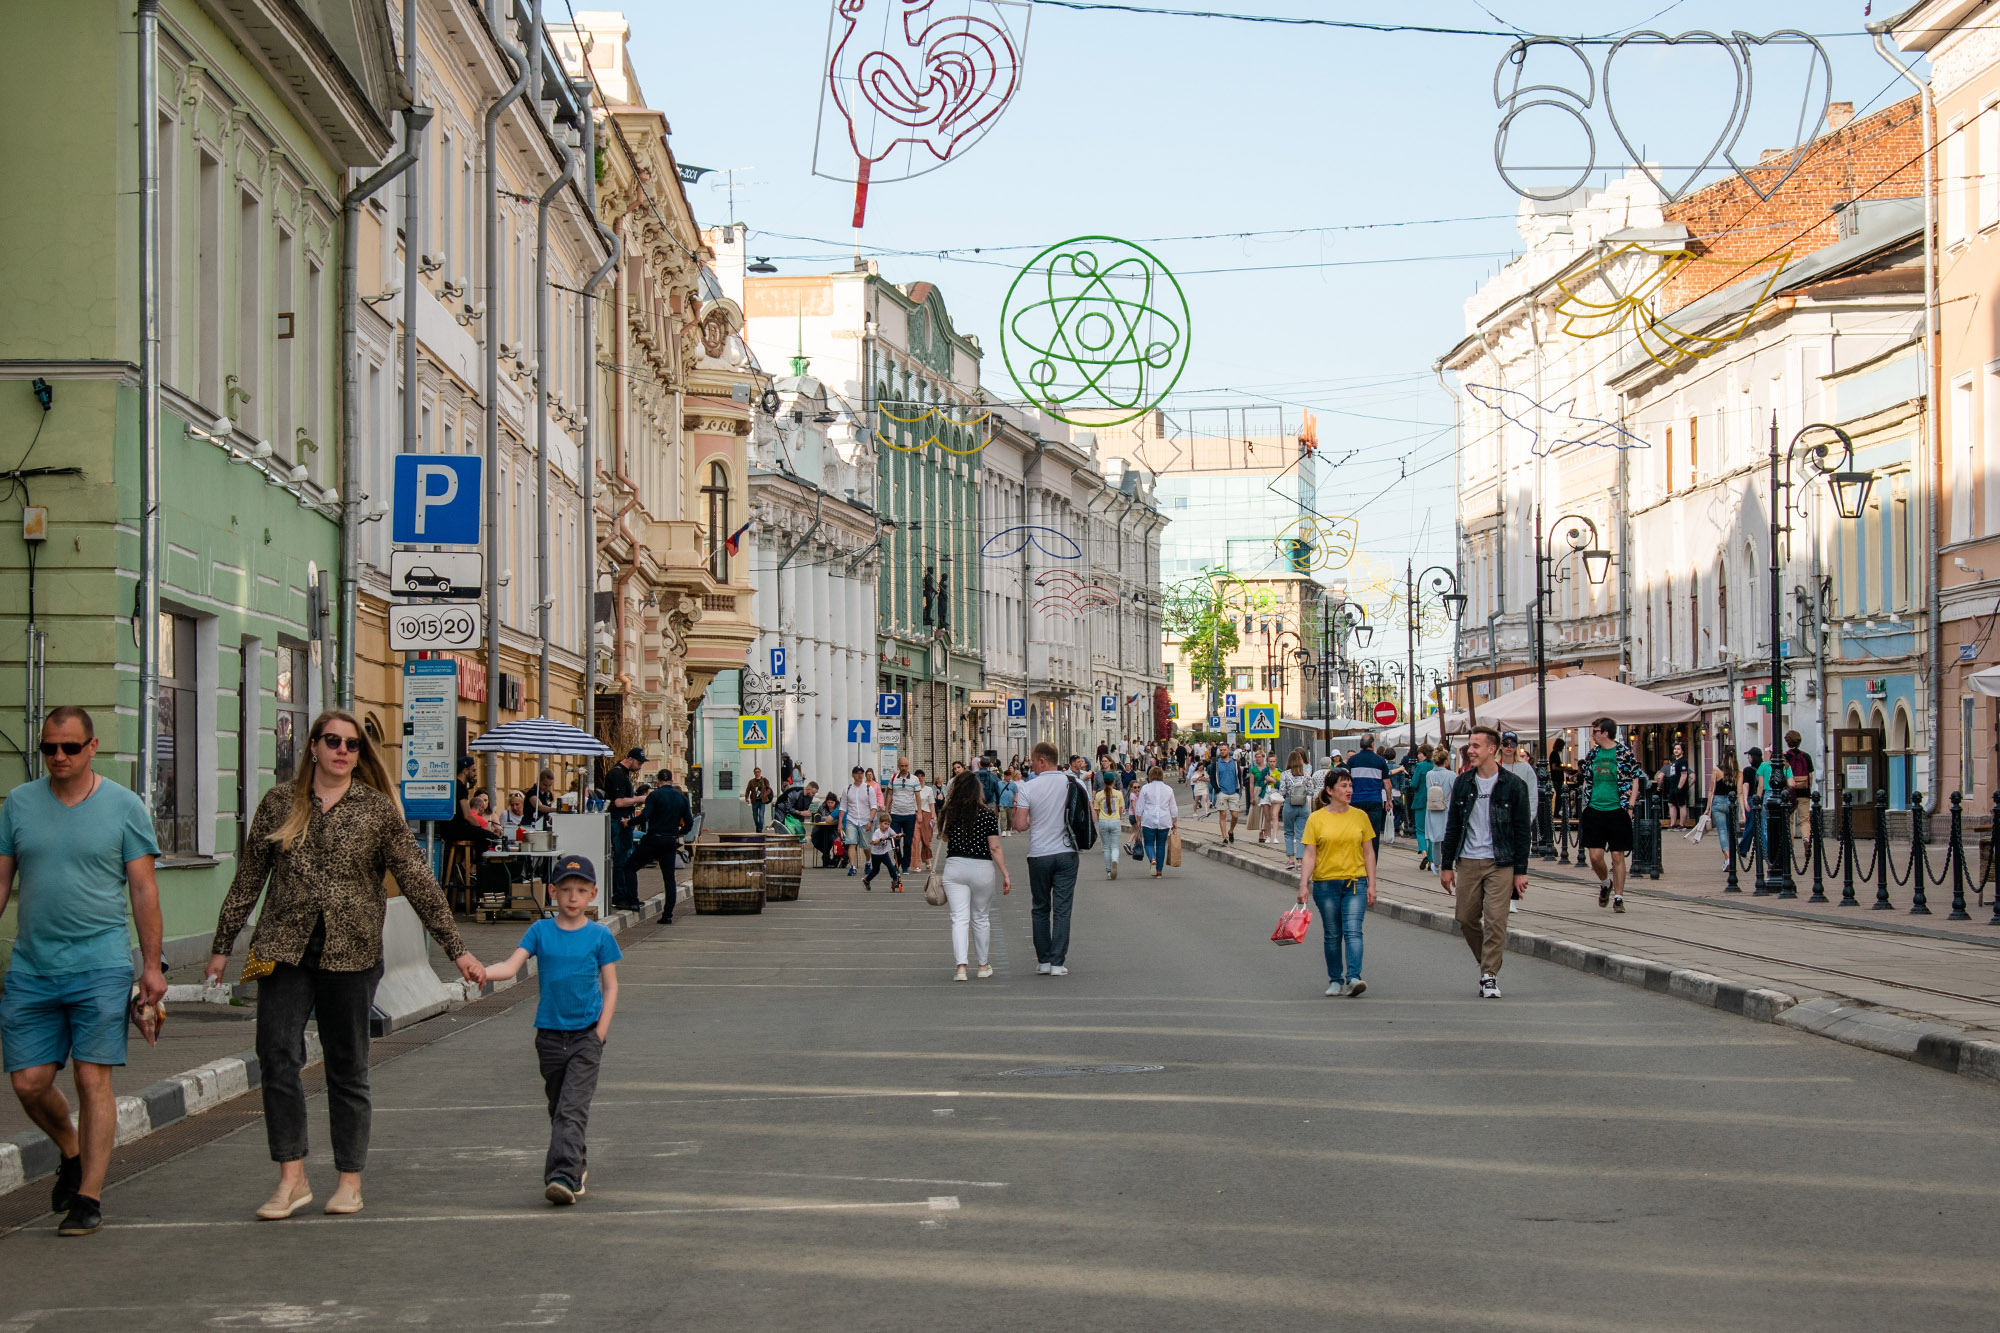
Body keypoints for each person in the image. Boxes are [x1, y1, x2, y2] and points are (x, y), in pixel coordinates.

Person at [208, 709, 483, 1221]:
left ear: (360, 755)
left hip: (352, 952)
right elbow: (249, 878)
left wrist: (456, 947)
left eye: (352, 745)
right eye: (331, 740)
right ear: (312, 745)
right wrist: (223, 945)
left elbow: (418, 879)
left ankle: (349, 1180)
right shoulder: (277, 805)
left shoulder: (377, 810)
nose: (341, 750)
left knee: (347, 1065)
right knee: (276, 1055)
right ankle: (291, 1178)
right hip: (278, 949)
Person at [0, 706, 166, 1237]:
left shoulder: (123, 806)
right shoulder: (19, 805)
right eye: (50, 748)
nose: (59, 757)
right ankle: (70, 1151)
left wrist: (151, 968)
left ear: (92, 748)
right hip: (32, 965)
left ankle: (89, 1197)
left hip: (100, 963)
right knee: (28, 1082)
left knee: (91, 1076)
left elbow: (143, 890)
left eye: (70, 747)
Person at [478, 855, 619, 1205]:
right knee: (559, 1108)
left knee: (572, 1109)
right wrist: (483, 972)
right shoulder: (539, 931)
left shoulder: (600, 936)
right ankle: (577, 1164)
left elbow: (611, 986)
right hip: (550, 1037)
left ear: (593, 894)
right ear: (553, 892)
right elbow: (511, 966)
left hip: (586, 1036)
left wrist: (600, 1032)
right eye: (566, 890)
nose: (573, 897)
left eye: (581, 890)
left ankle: (562, 1177)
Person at [1435, 725, 1532, 1000]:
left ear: (1493, 749)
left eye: (1476, 746)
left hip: (1501, 862)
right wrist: (1445, 865)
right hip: (1468, 861)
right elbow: (1453, 826)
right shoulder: (1463, 783)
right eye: (1470, 745)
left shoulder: (1513, 785)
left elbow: (1522, 831)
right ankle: (1488, 960)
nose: (1470, 750)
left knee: (1496, 920)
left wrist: (1521, 871)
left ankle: (1489, 974)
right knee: (1465, 918)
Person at [1294, 767, 1378, 997]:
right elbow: (1310, 853)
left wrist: (1371, 883)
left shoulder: (1360, 816)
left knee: (1353, 931)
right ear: (1329, 790)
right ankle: (1335, 980)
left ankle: (1354, 978)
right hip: (1325, 884)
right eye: (1343, 785)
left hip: (1355, 882)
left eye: (1350, 785)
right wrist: (1304, 884)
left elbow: (1369, 852)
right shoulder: (1316, 819)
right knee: (1332, 934)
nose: (1349, 789)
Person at [1012, 741, 1083, 974]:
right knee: (1062, 909)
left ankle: (1043, 961)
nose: (1030, 765)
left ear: (1042, 760)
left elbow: (1020, 825)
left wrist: (1033, 819)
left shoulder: (1028, 787)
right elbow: (1088, 818)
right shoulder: (1074, 782)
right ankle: (1057, 963)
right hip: (1066, 853)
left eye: (1033, 760)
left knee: (1040, 907)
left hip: (1039, 854)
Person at [937, 772, 1010, 981]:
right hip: (981, 868)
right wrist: (1005, 873)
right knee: (980, 917)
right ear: (977, 790)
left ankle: (961, 968)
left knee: (958, 919)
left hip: (955, 866)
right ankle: (983, 964)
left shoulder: (949, 813)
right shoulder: (987, 814)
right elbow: (994, 847)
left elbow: (943, 836)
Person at [1578, 716, 1643, 914]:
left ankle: (1619, 897)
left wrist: (1630, 806)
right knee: (1595, 856)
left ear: (1605, 733)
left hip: (1617, 809)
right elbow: (1587, 780)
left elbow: (1635, 778)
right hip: (1595, 809)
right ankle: (1606, 883)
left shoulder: (1623, 753)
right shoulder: (1592, 755)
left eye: (1595, 731)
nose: (1592, 735)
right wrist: (1584, 805)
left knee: (1617, 855)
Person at [625, 770, 693, 920]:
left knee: (630, 867)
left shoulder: (654, 796)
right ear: (672, 780)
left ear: (658, 781)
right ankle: (667, 914)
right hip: (670, 841)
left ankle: (633, 901)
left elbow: (645, 816)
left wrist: (628, 822)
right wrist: (679, 833)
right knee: (669, 878)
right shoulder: (681, 798)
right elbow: (690, 822)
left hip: (653, 839)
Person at [602, 749, 647, 910]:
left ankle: (628, 895)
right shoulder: (617, 774)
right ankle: (620, 896)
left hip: (624, 821)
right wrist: (640, 799)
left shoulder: (624, 774)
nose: (640, 766)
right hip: (619, 822)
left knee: (627, 858)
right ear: (629, 759)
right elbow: (619, 802)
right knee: (622, 859)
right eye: (639, 763)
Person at [1132, 766, 1178, 877]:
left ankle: (1152, 858)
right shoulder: (1168, 789)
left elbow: (1140, 805)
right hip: (1164, 819)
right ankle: (1159, 871)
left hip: (1149, 819)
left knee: (1148, 843)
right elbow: (1173, 807)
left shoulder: (1146, 788)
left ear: (1150, 776)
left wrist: (1138, 818)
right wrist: (1174, 820)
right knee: (1161, 845)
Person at [1347, 734, 1391, 844]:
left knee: (1356, 833)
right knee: (1373, 834)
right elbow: (1387, 782)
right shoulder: (1380, 761)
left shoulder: (1352, 760)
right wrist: (1389, 800)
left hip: (1356, 800)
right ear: (1372, 744)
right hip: (1374, 800)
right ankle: (1372, 859)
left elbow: (1347, 780)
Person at [1278, 748, 1316, 873]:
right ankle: (1300, 861)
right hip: (1303, 806)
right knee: (1301, 834)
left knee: (1288, 832)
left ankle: (1290, 859)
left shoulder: (1285, 774)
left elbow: (1282, 791)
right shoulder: (1306, 775)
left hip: (1290, 805)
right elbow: (1311, 791)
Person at [886, 757, 922, 873]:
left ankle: (905, 866)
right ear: (898, 766)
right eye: (902, 766)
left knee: (907, 842)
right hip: (895, 814)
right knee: (895, 841)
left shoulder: (914, 779)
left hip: (909, 815)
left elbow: (917, 797)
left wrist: (919, 812)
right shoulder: (893, 779)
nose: (904, 768)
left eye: (906, 766)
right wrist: (887, 811)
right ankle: (898, 862)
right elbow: (890, 795)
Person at [1711, 745, 1740, 872]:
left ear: (1723, 756)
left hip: (1718, 802)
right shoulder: (1738, 772)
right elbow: (1740, 792)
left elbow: (1711, 790)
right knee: (1731, 831)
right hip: (1732, 803)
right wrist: (1743, 812)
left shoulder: (1717, 770)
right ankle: (1731, 858)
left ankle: (1728, 858)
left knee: (1722, 831)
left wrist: (1707, 808)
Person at [1782, 729, 1814, 837]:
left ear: (1787, 742)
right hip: (1804, 792)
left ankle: (1790, 847)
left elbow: (1783, 775)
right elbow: (1810, 776)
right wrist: (1808, 787)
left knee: (1789, 821)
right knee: (1805, 820)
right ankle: (1806, 839)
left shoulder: (1785, 757)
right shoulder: (1806, 756)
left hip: (1789, 793)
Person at [1093, 774, 1127, 878]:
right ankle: (1115, 861)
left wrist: (1101, 816)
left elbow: (1097, 809)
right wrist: (1118, 817)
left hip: (1103, 821)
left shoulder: (1099, 794)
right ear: (1113, 781)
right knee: (1115, 846)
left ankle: (1108, 871)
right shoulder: (1118, 793)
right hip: (1115, 820)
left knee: (1106, 847)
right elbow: (1121, 809)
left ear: (1104, 781)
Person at [841, 767, 873, 873]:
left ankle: (868, 862)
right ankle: (853, 867)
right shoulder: (848, 789)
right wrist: (840, 821)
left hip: (865, 819)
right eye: (857, 773)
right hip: (852, 819)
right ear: (853, 775)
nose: (859, 776)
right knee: (851, 842)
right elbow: (843, 807)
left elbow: (874, 807)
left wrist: (870, 821)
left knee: (866, 845)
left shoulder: (869, 789)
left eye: (861, 774)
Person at [862, 809, 903, 891]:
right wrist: (881, 839)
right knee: (876, 870)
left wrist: (898, 835)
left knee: (891, 867)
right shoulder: (877, 832)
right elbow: (873, 842)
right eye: (885, 824)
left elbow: (894, 834)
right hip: (876, 854)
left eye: (888, 824)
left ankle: (895, 880)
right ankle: (867, 880)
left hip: (884, 853)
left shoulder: (888, 829)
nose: (886, 826)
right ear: (880, 823)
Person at [1410, 744, 1436, 871]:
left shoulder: (1419, 766)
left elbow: (1414, 784)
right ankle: (1431, 860)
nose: (1418, 756)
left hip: (1420, 800)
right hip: (1433, 802)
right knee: (1431, 831)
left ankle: (1424, 852)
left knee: (1420, 830)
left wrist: (1410, 782)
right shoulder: (1433, 766)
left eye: (1419, 753)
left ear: (1424, 754)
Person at [1212, 747, 1243, 843]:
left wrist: (1239, 790)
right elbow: (1212, 778)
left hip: (1234, 791)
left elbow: (1239, 777)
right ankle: (1224, 837)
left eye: (1224, 750)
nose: (1222, 751)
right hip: (1222, 792)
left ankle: (1231, 831)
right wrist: (1218, 789)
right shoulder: (1216, 764)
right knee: (1223, 814)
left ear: (1228, 751)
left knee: (1235, 816)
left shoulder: (1234, 762)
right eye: (1221, 750)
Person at [1660, 742, 1690, 829]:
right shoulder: (1674, 761)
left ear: (1682, 751)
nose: (1676, 751)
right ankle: (1672, 824)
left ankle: (1682, 824)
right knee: (1671, 804)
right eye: (1675, 749)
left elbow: (1684, 775)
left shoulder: (1683, 761)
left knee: (1681, 804)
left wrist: (1679, 787)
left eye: (1678, 749)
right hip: (1673, 786)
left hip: (1679, 786)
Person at [913, 769, 937, 872]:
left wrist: (933, 817)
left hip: (926, 814)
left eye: (922, 776)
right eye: (918, 776)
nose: (920, 778)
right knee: (915, 840)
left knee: (926, 841)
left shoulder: (929, 789)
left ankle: (926, 858)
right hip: (915, 814)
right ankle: (916, 864)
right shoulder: (912, 789)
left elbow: (932, 804)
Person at [811, 792, 842, 868]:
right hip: (821, 829)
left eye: (832, 802)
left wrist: (831, 819)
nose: (830, 804)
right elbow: (817, 817)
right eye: (828, 802)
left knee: (831, 839)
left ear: (835, 802)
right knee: (815, 840)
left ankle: (826, 857)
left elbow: (840, 819)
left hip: (833, 829)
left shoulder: (839, 809)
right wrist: (829, 818)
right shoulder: (822, 807)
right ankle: (826, 855)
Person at [744, 768, 773, 834]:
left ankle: (760, 829)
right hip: (755, 801)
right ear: (754, 773)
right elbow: (747, 790)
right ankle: (757, 826)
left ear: (760, 772)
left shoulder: (764, 780)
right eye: (756, 772)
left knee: (761, 815)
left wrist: (765, 794)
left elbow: (769, 789)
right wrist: (746, 797)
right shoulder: (751, 782)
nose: (757, 773)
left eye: (758, 772)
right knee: (755, 816)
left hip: (762, 801)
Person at [997, 767, 1021, 836]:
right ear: (1004, 776)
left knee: (1010, 818)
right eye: (1007, 775)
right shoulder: (999, 783)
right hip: (1002, 803)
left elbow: (1016, 793)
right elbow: (997, 793)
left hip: (1010, 803)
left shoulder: (1013, 784)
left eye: (1010, 775)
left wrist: (1015, 801)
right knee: (1003, 817)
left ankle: (1008, 829)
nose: (1009, 777)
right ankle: (1003, 830)